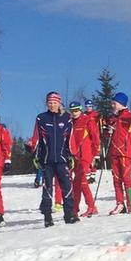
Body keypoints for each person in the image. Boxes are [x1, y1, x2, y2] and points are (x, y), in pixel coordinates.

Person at [34, 92, 78, 227]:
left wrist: (72, 155)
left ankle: (69, 214)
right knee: (47, 188)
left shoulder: (66, 118)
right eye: (50, 103)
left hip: (62, 158)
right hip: (47, 160)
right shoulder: (41, 118)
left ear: (59, 103)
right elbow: (37, 138)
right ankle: (47, 216)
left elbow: (70, 138)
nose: (52, 105)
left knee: (67, 186)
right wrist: (35, 155)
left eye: (54, 102)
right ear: (47, 103)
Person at [103, 92, 131, 213]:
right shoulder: (112, 118)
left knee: (126, 178)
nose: (112, 105)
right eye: (112, 103)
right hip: (114, 151)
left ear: (121, 104)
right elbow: (107, 135)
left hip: (125, 152)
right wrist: (108, 130)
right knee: (116, 179)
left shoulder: (129, 115)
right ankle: (119, 204)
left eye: (115, 103)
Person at [69, 101, 100, 218]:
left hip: (86, 155)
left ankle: (88, 207)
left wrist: (96, 153)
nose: (74, 113)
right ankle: (79, 208)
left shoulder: (87, 120)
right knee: (78, 183)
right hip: (75, 156)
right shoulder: (70, 122)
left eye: (76, 110)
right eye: (72, 111)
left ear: (81, 109)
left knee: (80, 180)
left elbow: (95, 136)